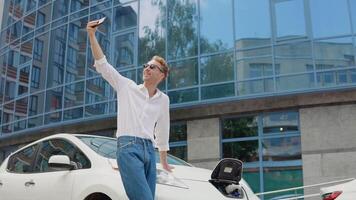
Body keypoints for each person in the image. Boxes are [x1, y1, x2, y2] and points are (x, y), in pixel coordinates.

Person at [86, 19, 173, 200]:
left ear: (162, 75)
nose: (147, 68)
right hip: (128, 148)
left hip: (150, 151)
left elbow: (162, 130)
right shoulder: (127, 87)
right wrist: (92, 35)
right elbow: (103, 65)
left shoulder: (163, 100)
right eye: (146, 66)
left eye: (152, 67)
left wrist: (164, 160)